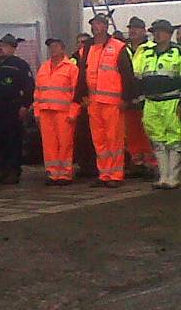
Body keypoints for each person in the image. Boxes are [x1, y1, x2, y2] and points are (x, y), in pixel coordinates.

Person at [134, 19, 181, 189]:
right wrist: (140, 99)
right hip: (151, 102)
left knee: (174, 140)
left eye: (161, 31)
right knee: (157, 139)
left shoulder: (178, 53)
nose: (157, 34)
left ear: (169, 34)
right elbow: (137, 78)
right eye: (155, 32)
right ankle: (163, 176)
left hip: (171, 100)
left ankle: (173, 176)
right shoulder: (145, 53)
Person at [80, 13, 136, 186]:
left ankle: (116, 174)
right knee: (99, 139)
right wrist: (82, 95)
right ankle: (104, 173)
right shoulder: (86, 48)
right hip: (94, 101)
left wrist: (126, 98)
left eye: (99, 24)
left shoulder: (118, 47)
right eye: (93, 24)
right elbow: (82, 73)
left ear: (106, 26)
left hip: (113, 101)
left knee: (114, 139)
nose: (95, 27)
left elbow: (128, 75)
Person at [0, 33, 35, 186]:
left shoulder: (20, 65)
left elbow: (29, 87)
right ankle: (1, 169)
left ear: (13, 48)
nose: (0, 48)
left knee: (13, 139)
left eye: (4, 46)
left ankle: (13, 170)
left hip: (12, 107)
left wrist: (25, 105)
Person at [35, 37, 80, 185]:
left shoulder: (71, 68)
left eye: (56, 46)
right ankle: (52, 173)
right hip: (45, 112)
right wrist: (37, 112)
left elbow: (76, 93)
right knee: (49, 145)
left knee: (65, 144)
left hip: (64, 112)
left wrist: (74, 112)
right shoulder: (43, 67)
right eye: (51, 47)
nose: (53, 49)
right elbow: (37, 92)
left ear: (62, 48)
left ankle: (65, 174)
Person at [122, 16, 156, 177]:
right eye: (131, 28)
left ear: (144, 31)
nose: (133, 31)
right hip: (129, 97)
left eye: (136, 28)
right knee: (131, 133)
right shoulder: (123, 49)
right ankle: (137, 163)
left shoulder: (151, 48)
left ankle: (152, 164)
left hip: (147, 96)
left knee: (148, 131)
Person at [72, 33, 97, 177]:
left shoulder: (93, 57)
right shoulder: (73, 59)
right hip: (78, 103)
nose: (82, 44)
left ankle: (94, 165)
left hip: (93, 101)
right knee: (80, 136)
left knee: (93, 136)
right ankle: (83, 165)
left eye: (84, 42)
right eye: (79, 42)